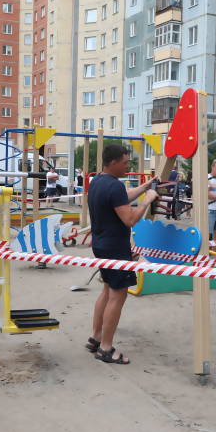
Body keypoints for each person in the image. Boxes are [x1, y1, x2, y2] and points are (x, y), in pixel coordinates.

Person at [86, 144, 158, 364]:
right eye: (125, 163)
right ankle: (106, 349)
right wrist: (147, 200)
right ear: (113, 162)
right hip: (115, 248)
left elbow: (120, 198)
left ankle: (96, 338)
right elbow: (130, 219)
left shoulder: (98, 181)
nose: (128, 166)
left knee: (107, 290)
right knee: (118, 295)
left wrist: (145, 187)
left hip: (101, 245)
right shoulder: (114, 186)